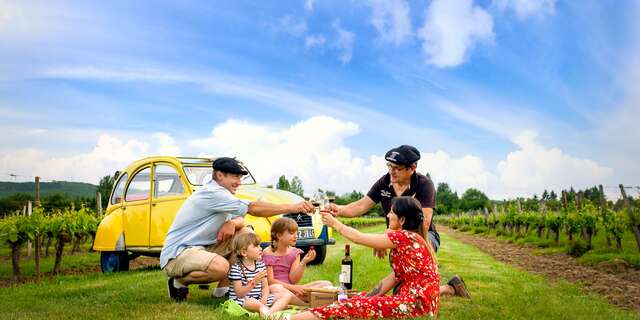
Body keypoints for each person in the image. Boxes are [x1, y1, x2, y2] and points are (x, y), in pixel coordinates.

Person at [160, 157, 314, 301]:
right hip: (179, 253)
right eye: (235, 177)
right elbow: (253, 208)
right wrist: (294, 207)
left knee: (246, 234)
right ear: (220, 175)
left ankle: (223, 289)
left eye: (240, 178)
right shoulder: (212, 194)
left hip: (205, 248)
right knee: (221, 267)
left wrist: (233, 223)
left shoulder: (224, 194)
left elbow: (242, 218)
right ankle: (178, 282)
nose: (239, 182)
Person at [326, 145, 470, 298]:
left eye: (397, 168)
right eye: (389, 166)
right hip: (396, 237)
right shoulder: (384, 182)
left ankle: (443, 289)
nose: (391, 171)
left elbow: (424, 222)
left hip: (424, 236)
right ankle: (450, 287)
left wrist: (386, 237)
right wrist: (338, 210)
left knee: (409, 290)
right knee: (404, 289)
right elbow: (362, 205)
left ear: (412, 168)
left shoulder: (424, 184)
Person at [289, 196, 440, 319]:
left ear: (402, 220)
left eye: (392, 213)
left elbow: (358, 238)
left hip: (416, 306)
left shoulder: (405, 237)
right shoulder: (412, 240)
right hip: (420, 304)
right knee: (357, 299)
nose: (387, 215)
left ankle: (294, 318)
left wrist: (335, 223)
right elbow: (392, 279)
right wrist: (366, 298)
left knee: (350, 306)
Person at [263, 217, 333, 305]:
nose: (296, 236)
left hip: (293, 289)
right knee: (276, 287)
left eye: (296, 233)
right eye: (291, 233)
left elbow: (293, 279)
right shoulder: (268, 252)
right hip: (276, 290)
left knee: (326, 284)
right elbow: (270, 280)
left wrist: (304, 262)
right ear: (279, 235)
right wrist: (294, 288)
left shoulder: (295, 252)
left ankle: (300, 299)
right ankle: (304, 302)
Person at [228, 232, 294, 317]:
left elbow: (265, 287)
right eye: (256, 246)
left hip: (259, 299)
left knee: (286, 295)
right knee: (251, 301)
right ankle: (267, 309)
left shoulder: (260, 265)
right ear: (244, 253)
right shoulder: (236, 269)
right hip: (242, 300)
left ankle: (269, 313)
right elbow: (239, 294)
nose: (260, 248)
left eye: (259, 245)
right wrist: (254, 282)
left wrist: (264, 298)